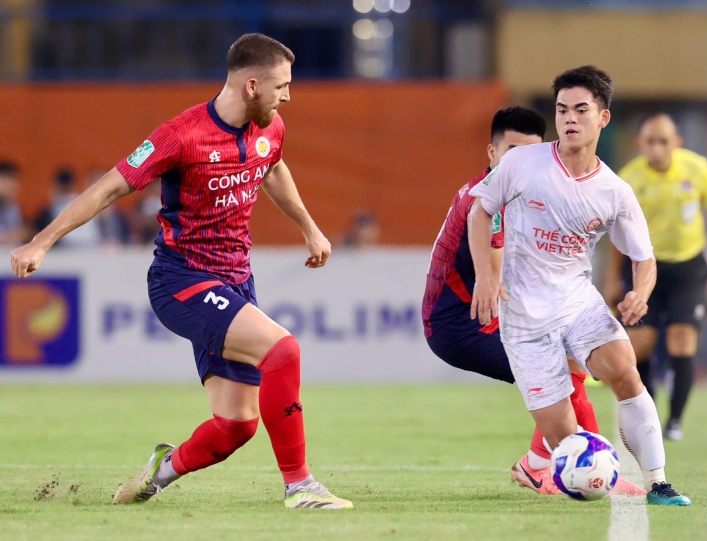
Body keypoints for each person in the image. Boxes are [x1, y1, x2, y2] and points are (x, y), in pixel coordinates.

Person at [10, 33, 352, 510]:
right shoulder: (180, 135)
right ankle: (301, 487)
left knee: (237, 426)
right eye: (282, 86)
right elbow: (110, 188)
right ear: (252, 84)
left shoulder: (270, 127)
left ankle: (159, 473)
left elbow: (272, 167)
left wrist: (310, 229)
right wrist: (42, 241)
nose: (288, 95)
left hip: (236, 281)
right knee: (284, 351)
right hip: (182, 280)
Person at [468, 66, 691, 506]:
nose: (569, 118)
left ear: (603, 118)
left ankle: (659, 482)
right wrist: (486, 274)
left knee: (626, 372)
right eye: (562, 109)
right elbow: (480, 213)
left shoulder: (614, 191)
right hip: (525, 321)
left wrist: (638, 294)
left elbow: (645, 259)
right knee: (564, 437)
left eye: (581, 110)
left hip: (577, 303)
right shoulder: (521, 163)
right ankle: (564, 472)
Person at [422, 106, 644, 497]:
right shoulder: (491, 201)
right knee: (561, 363)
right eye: (512, 152)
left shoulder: (527, 194)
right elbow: (501, 265)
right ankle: (588, 471)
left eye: (531, 152)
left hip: (491, 313)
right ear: (492, 154)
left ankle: (539, 464)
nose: (522, 162)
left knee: (570, 358)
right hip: (459, 322)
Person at [602, 112, 707, 441]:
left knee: (681, 341)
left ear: (677, 142)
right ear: (639, 144)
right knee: (640, 346)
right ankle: (647, 416)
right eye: (650, 141)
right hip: (646, 271)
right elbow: (618, 236)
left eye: (664, 141)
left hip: (689, 268)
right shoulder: (629, 179)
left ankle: (674, 421)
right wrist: (612, 278)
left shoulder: (697, 168)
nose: (657, 148)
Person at [0, 161, 27, 246]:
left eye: (15, 180)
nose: (12, 185)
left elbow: (19, 234)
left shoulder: (12, 207)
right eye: (6, 180)